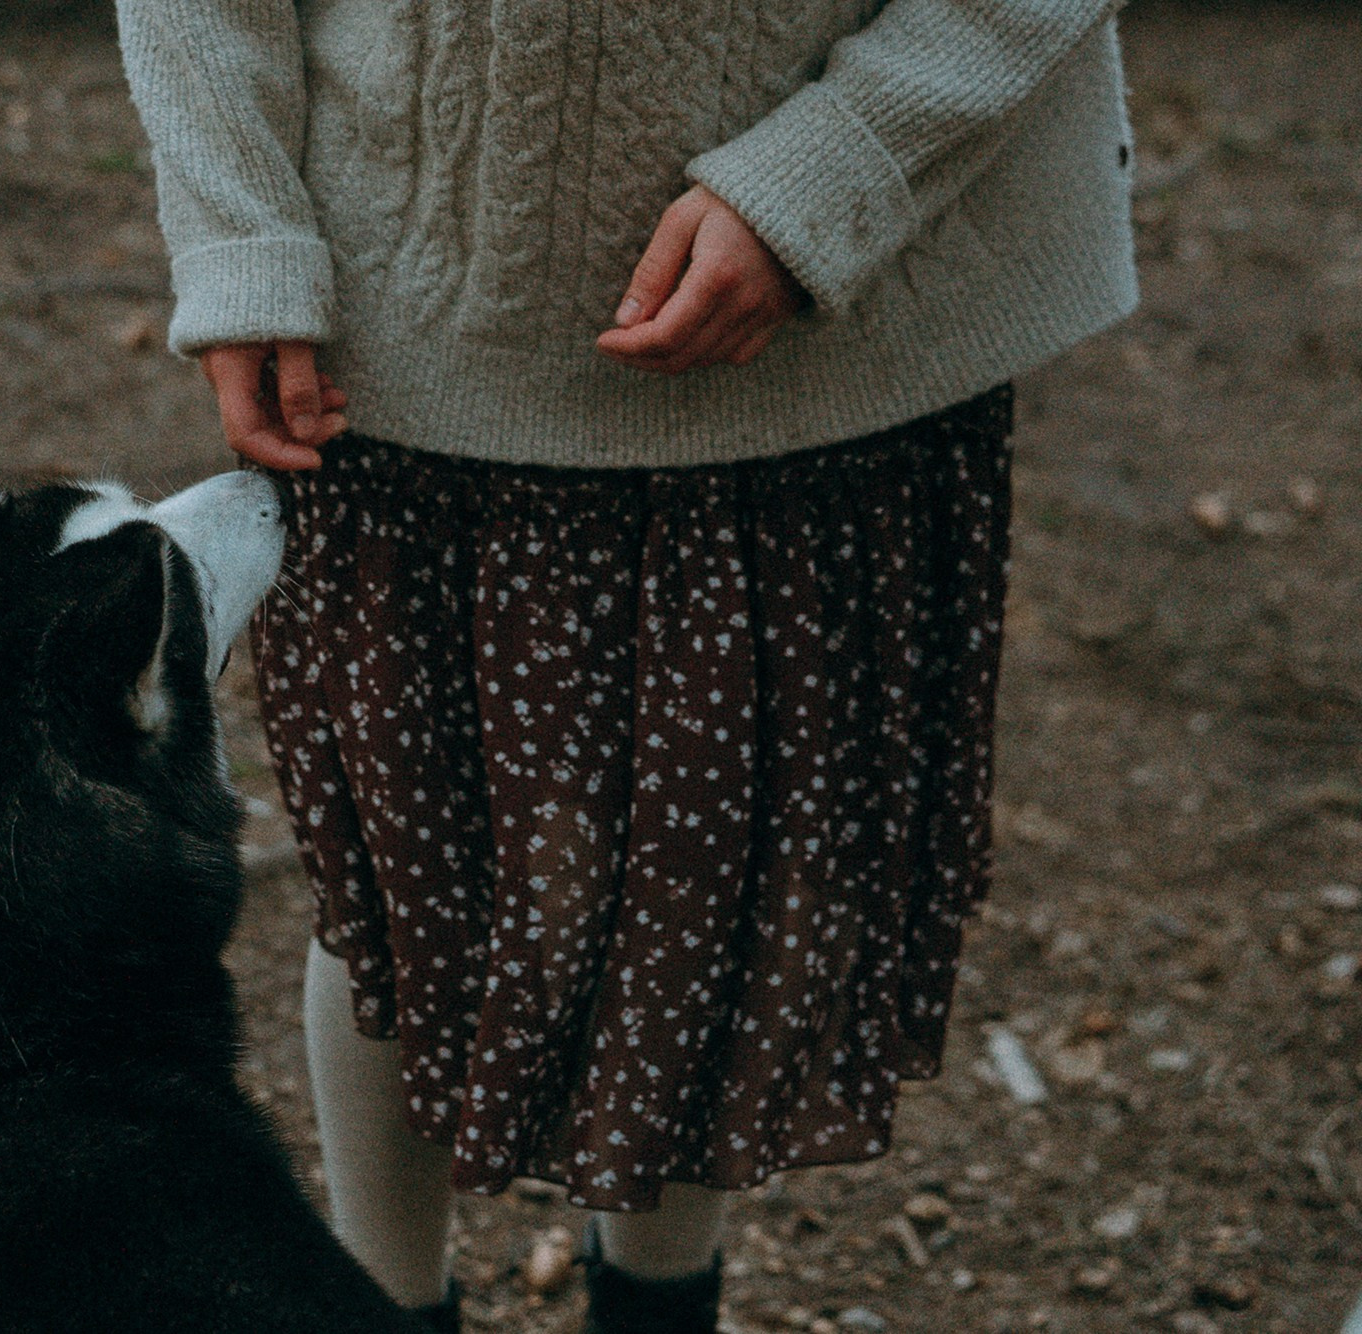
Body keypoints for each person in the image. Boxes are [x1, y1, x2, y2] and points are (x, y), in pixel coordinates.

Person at [114, 1, 1137, 1330]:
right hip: (414, 310)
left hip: (838, 343)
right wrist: (238, 223)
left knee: (725, 883)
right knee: (403, 870)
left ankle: (658, 1311)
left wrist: (835, 172)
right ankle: (376, 1307)